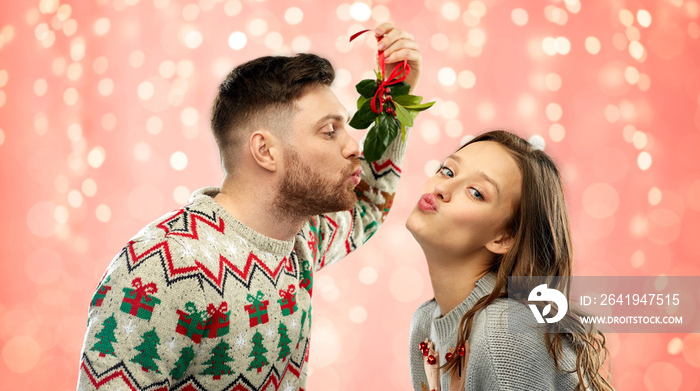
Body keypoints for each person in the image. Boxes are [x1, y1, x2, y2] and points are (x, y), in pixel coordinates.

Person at [77, 23, 421, 391]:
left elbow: (367, 204)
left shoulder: (301, 237)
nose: (354, 147)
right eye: (329, 131)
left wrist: (396, 97)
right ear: (265, 151)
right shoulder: (160, 266)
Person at [406, 130, 614, 391]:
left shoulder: (503, 331)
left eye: (476, 192)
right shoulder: (425, 324)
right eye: (448, 171)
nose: (442, 188)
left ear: (503, 237)